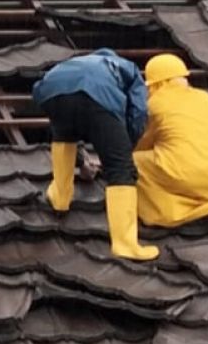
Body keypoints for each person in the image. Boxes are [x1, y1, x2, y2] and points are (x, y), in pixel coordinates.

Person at [32, 49, 159, 261]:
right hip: (94, 93)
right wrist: (124, 148)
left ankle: (60, 198)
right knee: (121, 169)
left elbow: (71, 109)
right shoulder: (129, 69)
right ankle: (125, 244)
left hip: (50, 92)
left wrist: (83, 161)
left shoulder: (77, 62)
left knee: (64, 135)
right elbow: (137, 111)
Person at [133, 54, 208, 228]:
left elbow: (141, 143)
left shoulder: (154, 105)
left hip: (181, 177)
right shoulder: (207, 99)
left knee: (129, 162)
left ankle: (171, 212)